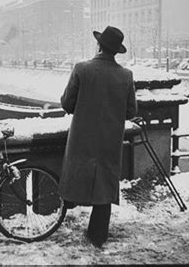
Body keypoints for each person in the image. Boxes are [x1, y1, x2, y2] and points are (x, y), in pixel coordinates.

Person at [59, 26, 138, 248]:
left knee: (75, 174)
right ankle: (97, 235)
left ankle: (68, 206)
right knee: (104, 185)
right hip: (110, 141)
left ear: (99, 45)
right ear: (116, 51)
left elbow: (67, 103)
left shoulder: (81, 69)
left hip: (82, 138)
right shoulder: (126, 76)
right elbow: (131, 111)